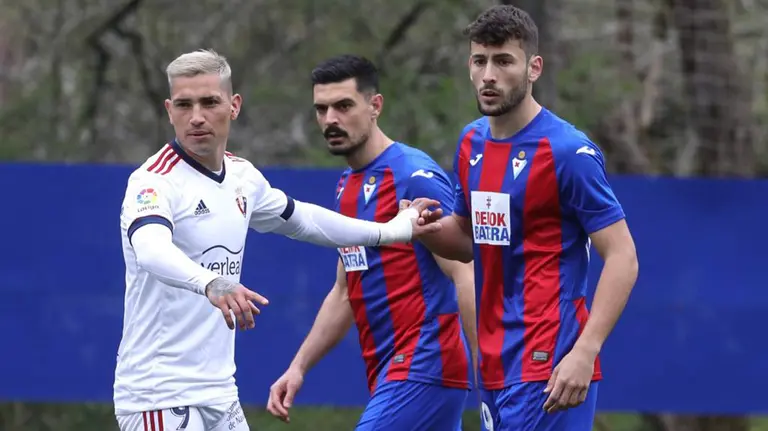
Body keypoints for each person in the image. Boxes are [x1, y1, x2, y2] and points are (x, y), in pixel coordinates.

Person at [113, 49, 440, 431]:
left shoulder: (241, 177)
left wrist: (391, 231)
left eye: (209, 102)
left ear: (233, 106)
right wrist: (210, 282)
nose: (197, 116)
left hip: (218, 391)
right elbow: (151, 249)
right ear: (169, 110)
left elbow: (305, 219)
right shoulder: (152, 181)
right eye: (184, 104)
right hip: (160, 396)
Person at [407, 6, 640, 431]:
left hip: (549, 361)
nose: (489, 75)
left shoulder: (568, 152)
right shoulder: (470, 141)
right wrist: (421, 229)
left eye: (503, 61)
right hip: (494, 362)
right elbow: (465, 238)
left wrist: (585, 352)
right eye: (480, 61)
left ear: (534, 68)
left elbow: (623, 256)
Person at [265, 55, 478, 431]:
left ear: (374, 105)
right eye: (322, 109)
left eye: (343, 106)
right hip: (388, 370)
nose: (331, 119)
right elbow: (345, 291)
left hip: (425, 363)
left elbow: (465, 270)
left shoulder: (414, 176)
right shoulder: (347, 185)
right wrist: (297, 368)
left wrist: (486, 362)